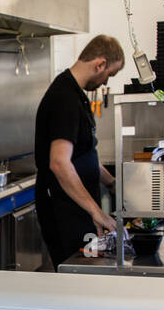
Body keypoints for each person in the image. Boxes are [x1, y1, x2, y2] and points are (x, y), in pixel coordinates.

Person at [34, 35, 125, 270]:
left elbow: (82, 155)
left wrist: (112, 182)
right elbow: (60, 163)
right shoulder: (64, 98)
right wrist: (97, 212)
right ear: (100, 64)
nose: (106, 82)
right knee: (75, 278)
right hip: (65, 212)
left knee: (87, 277)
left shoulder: (76, 95)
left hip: (78, 208)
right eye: (109, 75)